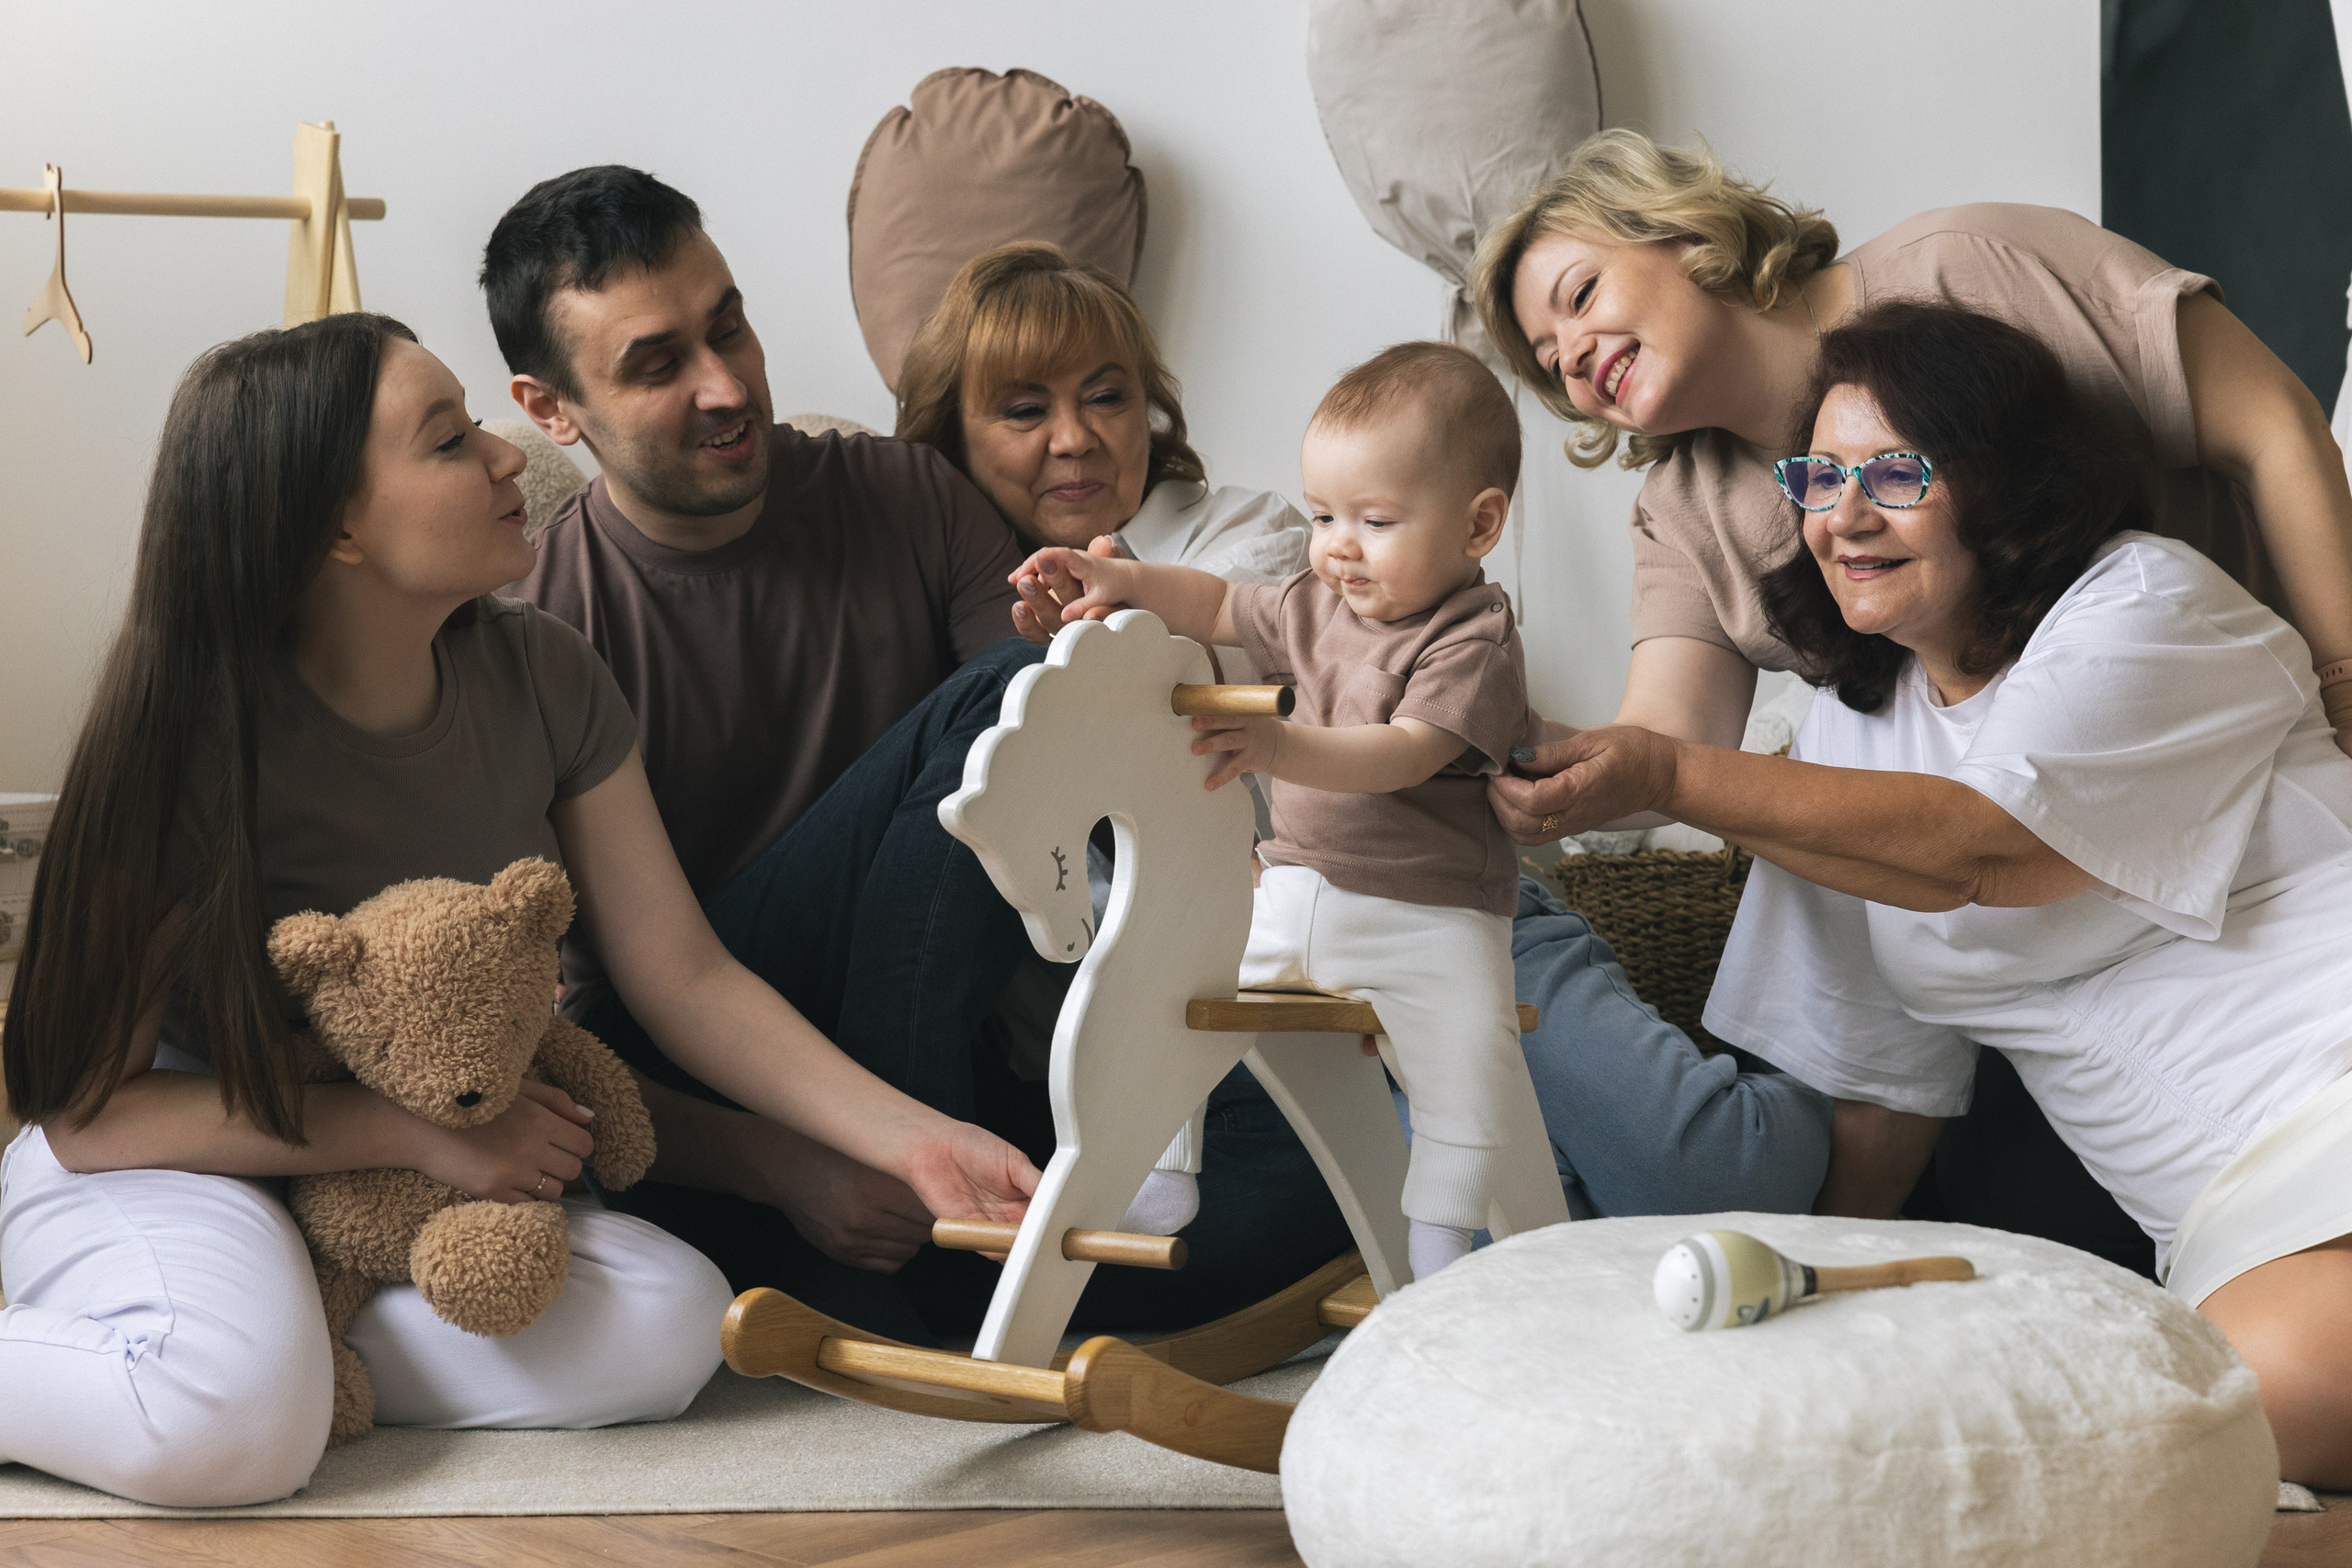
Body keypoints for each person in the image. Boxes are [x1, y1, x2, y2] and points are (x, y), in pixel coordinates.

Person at [0, 313, 1030, 1506]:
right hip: (187, 1153)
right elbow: (89, 1115)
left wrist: (909, 1136)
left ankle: (285, 1343)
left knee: (676, 1319)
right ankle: (238, 1355)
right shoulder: (187, 740)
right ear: (335, 525)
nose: (508, 458)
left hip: (401, 1196)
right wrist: (414, 1134)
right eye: (449, 440)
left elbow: (682, 975)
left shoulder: (542, 673)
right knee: (233, 1429)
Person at [486, 169, 1352, 1341]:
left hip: (939, 1027)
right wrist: (782, 1167)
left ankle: (952, 1263)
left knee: (1320, 1177)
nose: (726, 384)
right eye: (658, 363)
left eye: (728, 324)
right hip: (720, 1102)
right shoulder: (539, 628)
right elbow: (563, 1034)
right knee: (1014, 692)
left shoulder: (903, 495)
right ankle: (926, 1229)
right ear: (550, 410)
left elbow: (1081, 793)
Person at [1474, 130, 2352, 1256]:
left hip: (2214, 773)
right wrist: (1478, 744)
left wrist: (2339, 674)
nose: (1571, 354)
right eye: (1546, 357)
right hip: (2029, 917)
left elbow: (2269, 423)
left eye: (1580, 293)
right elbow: (1661, 752)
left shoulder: (1970, 269)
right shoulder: (1702, 526)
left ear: (1682, 235)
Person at [1539, 299, 2352, 1484]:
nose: (1846, 516)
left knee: (2252, 1404)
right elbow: (1877, 1091)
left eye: (1897, 474)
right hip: (2229, 1220)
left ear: (2005, 483)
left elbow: (1990, 847)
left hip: (2333, 1078)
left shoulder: (2145, 602)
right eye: (1820, 478)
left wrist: (1668, 771)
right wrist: (1802, 1315)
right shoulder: (1845, 737)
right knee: (2229, 1409)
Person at [1017, 342, 1540, 1280]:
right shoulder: (1316, 601)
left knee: (1470, 1067)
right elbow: (1218, 603)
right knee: (1173, 990)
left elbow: (1407, 753)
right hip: (1294, 889)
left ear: (1478, 524)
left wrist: (1279, 746)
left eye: (1375, 520)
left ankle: (1439, 1248)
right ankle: (1163, 1171)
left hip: (1429, 915)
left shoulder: (1476, 635)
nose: (1339, 543)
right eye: (1325, 514)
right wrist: (1130, 585)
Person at [894, 240, 1310, 683]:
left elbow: (1228, 668)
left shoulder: (1257, 528)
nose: (1074, 440)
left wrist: (1126, 635)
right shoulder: (915, 579)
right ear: (952, 439)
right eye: (1026, 411)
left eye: (1105, 398)